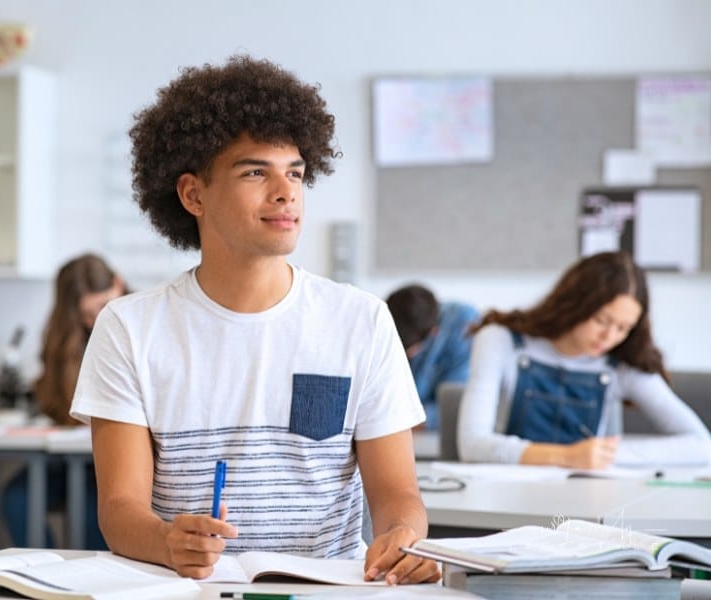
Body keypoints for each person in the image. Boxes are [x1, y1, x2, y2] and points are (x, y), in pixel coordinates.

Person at [70, 55, 439, 585]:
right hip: (192, 591)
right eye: (255, 172)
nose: (285, 191)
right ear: (193, 194)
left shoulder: (361, 320)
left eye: (295, 172)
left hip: (328, 590)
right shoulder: (129, 327)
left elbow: (398, 494)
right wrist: (166, 542)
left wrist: (403, 533)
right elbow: (120, 508)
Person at [457, 251, 711, 467]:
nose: (609, 336)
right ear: (575, 303)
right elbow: (471, 444)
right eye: (602, 320)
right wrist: (566, 456)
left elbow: (702, 445)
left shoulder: (622, 366)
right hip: (505, 494)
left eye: (624, 328)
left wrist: (606, 455)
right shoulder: (500, 341)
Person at [0, 253, 127, 549]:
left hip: (116, 456)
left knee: (92, 510)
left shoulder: (144, 322)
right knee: (16, 500)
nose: (98, 320)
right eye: (87, 315)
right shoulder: (67, 339)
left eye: (102, 307)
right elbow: (58, 406)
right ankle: (42, 579)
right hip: (71, 456)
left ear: (119, 285)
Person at [385, 284, 479, 430]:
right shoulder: (384, 320)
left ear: (433, 332)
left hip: (434, 436)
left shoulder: (464, 327)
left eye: (407, 351)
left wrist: (395, 418)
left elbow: (454, 410)